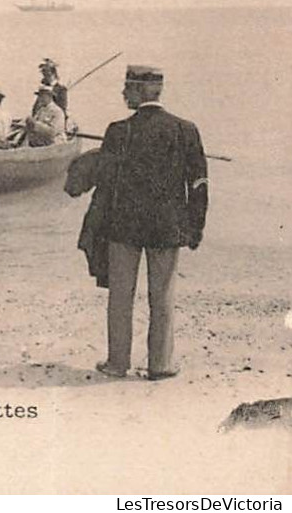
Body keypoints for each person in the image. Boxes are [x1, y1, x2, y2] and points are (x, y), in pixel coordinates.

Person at [93, 65, 207, 381]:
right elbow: (198, 183)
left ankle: (117, 364)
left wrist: (97, 226)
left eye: (126, 88)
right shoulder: (185, 129)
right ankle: (160, 365)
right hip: (167, 228)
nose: (122, 93)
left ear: (140, 91)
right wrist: (196, 226)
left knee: (120, 297)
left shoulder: (118, 130)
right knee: (163, 297)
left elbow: (105, 184)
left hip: (124, 227)